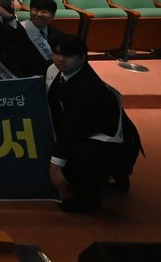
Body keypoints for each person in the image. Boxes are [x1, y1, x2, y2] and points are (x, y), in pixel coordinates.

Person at [46, 34, 141, 213]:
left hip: (112, 140)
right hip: (85, 129)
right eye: (56, 53)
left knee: (83, 153)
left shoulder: (87, 88)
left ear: (82, 57)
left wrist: (55, 166)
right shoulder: (56, 70)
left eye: (68, 55)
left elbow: (72, 128)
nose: (60, 59)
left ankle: (88, 200)